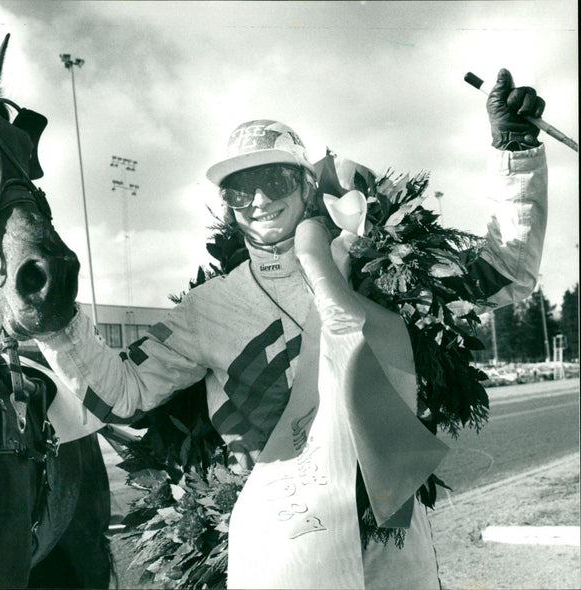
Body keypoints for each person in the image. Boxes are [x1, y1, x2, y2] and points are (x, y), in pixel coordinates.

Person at [34, 68, 547, 588]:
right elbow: (124, 395)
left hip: (392, 535)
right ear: (227, 206)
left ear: (305, 184)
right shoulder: (208, 308)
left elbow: (506, 273)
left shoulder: (379, 264)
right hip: (284, 541)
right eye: (239, 189)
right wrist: (52, 319)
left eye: (273, 181)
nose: (258, 200)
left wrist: (515, 149)